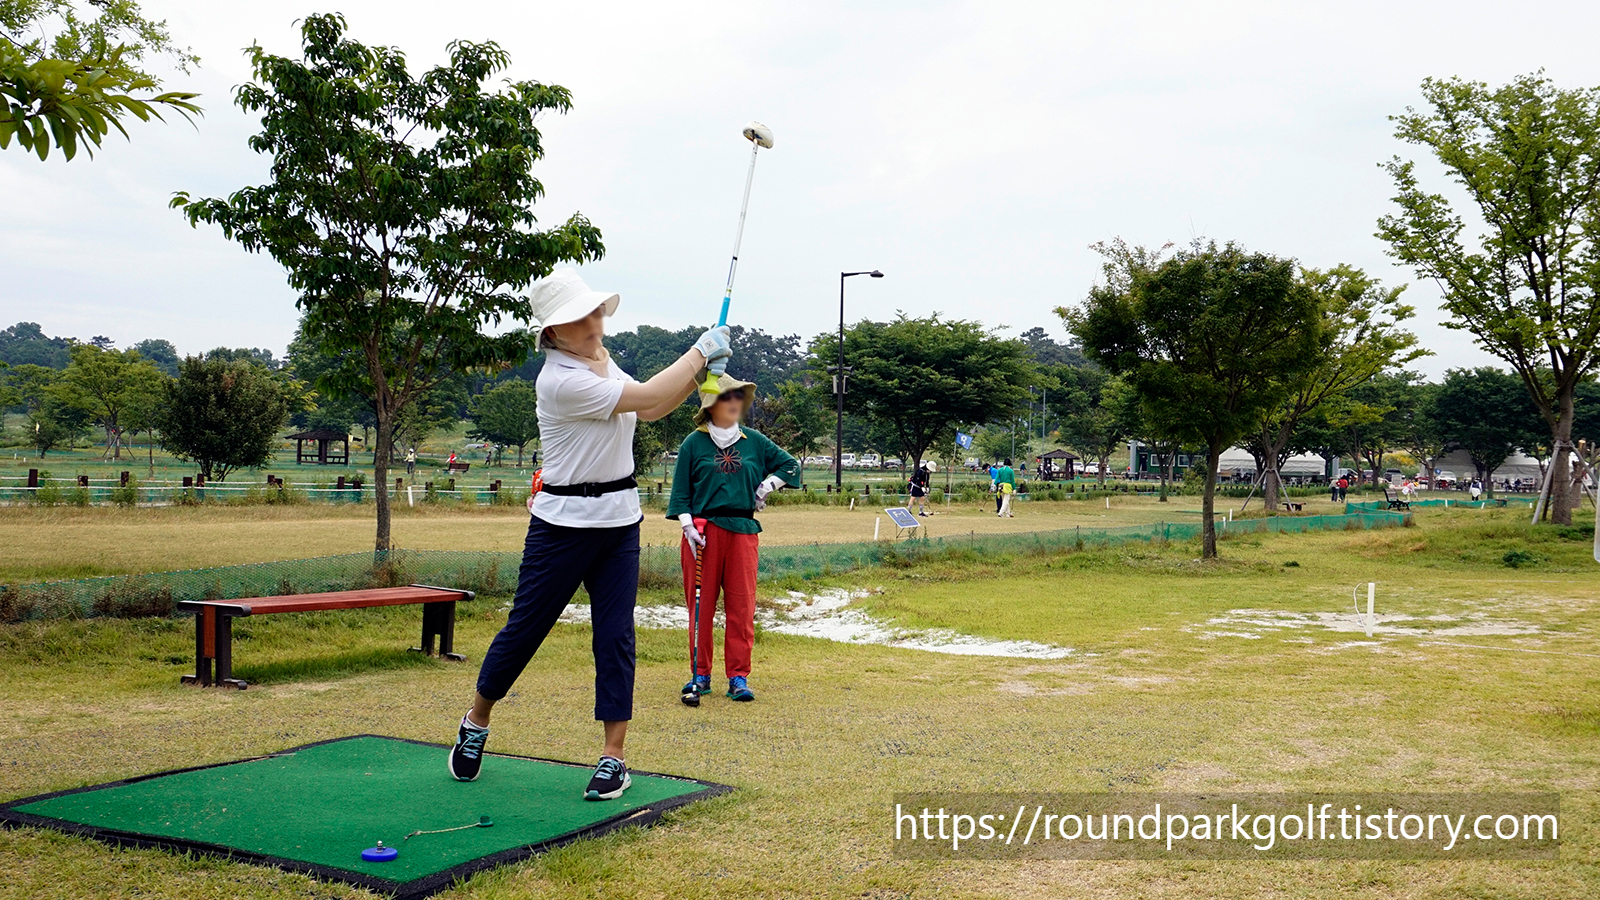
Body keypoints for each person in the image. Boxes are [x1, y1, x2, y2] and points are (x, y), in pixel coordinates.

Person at [447, 268, 733, 801]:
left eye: (595, 310)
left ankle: (613, 757)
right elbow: (647, 393)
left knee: (616, 637)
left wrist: (698, 376)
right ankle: (476, 721)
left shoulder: (602, 360)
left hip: (619, 521)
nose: (592, 320)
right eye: (577, 317)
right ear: (552, 333)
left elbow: (648, 407)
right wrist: (698, 354)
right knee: (525, 629)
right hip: (561, 525)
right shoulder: (559, 379)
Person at [666, 374, 799, 704]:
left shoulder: (753, 440)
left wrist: (769, 485)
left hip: (743, 532)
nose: (736, 404)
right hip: (702, 534)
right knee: (701, 607)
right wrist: (687, 527)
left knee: (741, 606)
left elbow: (790, 465)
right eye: (729, 398)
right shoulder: (693, 444)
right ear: (712, 405)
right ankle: (700, 673)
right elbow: (680, 494)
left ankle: (738, 676)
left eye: (739, 398)